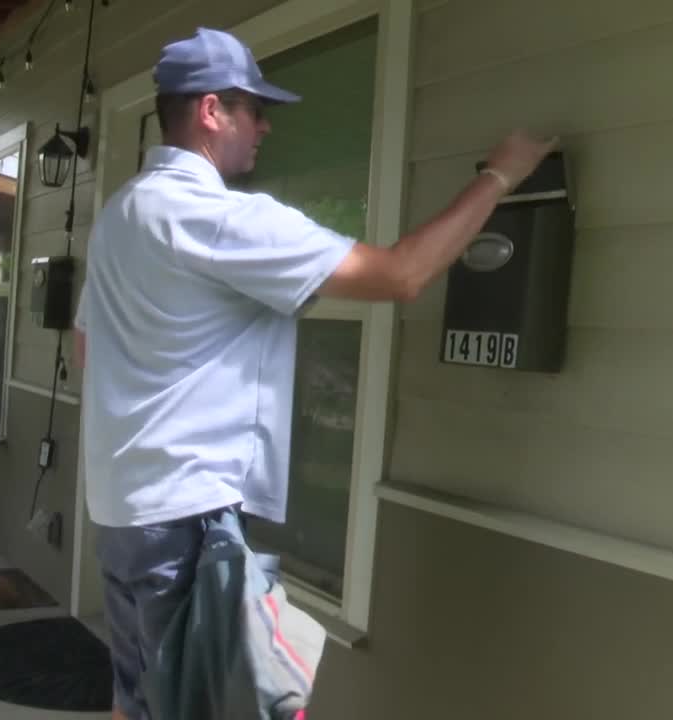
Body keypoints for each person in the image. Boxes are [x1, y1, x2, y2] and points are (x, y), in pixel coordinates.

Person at [73, 26, 556, 720]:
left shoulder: (122, 214)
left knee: (141, 699)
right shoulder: (216, 218)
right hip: (187, 520)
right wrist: (501, 175)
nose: (265, 127)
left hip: (122, 511)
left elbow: (89, 349)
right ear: (211, 111)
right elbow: (402, 275)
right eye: (253, 110)